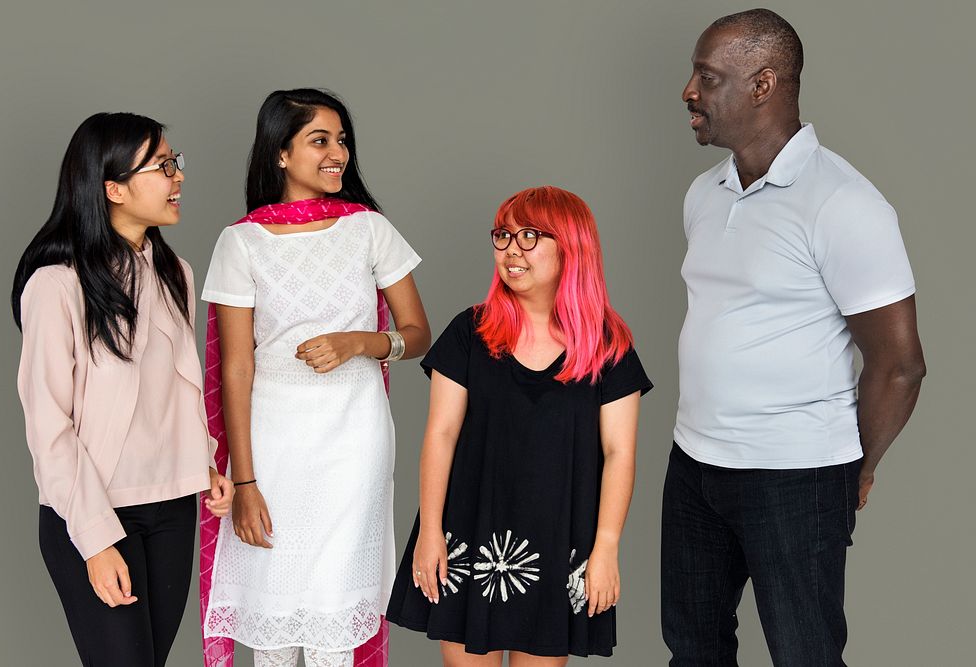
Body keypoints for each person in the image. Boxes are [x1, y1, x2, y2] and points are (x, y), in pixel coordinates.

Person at [664, 9, 927, 666]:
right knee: (693, 649)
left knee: (805, 654)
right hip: (694, 465)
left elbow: (899, 364)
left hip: (795, 474)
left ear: (764, 84)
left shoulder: (843, 204)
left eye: (707, 76)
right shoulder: (705, 194)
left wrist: (855, 469)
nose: (688, 92)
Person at [200, 88, 430, 667]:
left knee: (337, 610)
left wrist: (359, 342)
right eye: (320, 140)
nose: (339, 154)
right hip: (272, 442)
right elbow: (236, 366)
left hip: (354, 437)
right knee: (272, 614)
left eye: (343, 140)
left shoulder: (368, 228)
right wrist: (246, 483)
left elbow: (418, 333)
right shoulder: (241, 241)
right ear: (280, 154)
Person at [386, 186, 653, 666]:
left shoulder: (608, 344)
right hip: (467, 534)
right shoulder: (469, 332)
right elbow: (440, 436)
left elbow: (620, 453)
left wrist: (607, 546)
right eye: (503, 235)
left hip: (559, 543)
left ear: (571, 245)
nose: (511, 249)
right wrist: (430, 531)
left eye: (530, 236)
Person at [13, 112, 233, 666]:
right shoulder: (56, 284)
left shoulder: (173, 272)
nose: (177, 176)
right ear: (112, 188)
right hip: (93, 511)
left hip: (172, 507)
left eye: (175, 163)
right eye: (162, 166)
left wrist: (202, 464)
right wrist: (94, 539)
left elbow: (178, 385)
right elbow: (48, 424)